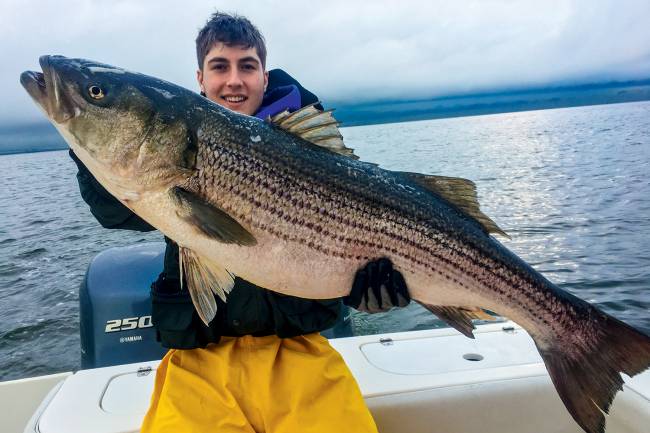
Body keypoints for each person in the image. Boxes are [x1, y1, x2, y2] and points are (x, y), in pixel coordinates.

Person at [70, 12, 411, 433]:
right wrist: (91, 135)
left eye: (247, 66)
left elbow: (353, 238)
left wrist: (369, 291)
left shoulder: (309, 148)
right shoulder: (171, 149)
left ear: (264, 78)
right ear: (200, 79)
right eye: (219, 66)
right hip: (198, 365)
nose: (234, 80)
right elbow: (113, 212)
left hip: (301, 354)